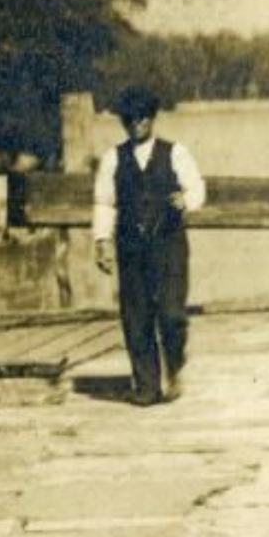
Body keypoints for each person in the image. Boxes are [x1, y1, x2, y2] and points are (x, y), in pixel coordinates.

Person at [93, 87, 205, 406]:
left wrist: (186, 200)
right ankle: (146, 386)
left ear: (152, 119)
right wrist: (102, 241)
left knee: (171, 313)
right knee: (136, 316)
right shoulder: (113, 158)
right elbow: (105, 203)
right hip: (131, 248)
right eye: (129, 119)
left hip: (169, 244)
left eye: (141, 118)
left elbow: (196, 188)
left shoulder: (175, 153)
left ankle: (175, 364)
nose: (135, 124)